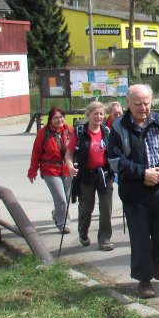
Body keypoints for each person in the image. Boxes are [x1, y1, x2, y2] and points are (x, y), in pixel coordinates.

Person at [108, 84, 159, 300]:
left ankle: (155, 257)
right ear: (128, 103)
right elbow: (114, 161)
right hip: (135, 191)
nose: (143, 107)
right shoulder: (118, 127)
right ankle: (144, 280)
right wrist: (143, 173)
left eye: (147, 103)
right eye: (138, 103)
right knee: (140, 237)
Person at [66, 101, 115, 251]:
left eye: (101, 114)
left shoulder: (107, 131)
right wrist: (69, 167)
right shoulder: (80, 132)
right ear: (88, 115)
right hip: (86, 176)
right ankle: (83, 232)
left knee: (106, 208)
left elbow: (113, 152)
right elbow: (69, 153)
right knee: (86, 208)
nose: (99, 117)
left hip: (104, 175)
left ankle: (104, 239)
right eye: (95, 114)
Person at [27, 106, 74, 234]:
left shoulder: (69, 130)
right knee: (61, 198)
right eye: (56, 118)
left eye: (61, 117)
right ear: (50, 120)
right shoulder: (44, 132)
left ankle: (57, 213)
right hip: (50, 170)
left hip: (67, 169)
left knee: (66, 198)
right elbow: (36, 152)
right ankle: (63, 224)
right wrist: (32, 171)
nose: (59, 120)